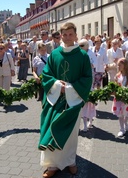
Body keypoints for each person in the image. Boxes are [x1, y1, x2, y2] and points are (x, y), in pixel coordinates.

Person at [38, 22, 92, 178]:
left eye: (71, 34)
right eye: (65, 34)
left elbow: (87, 78)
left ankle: (70, 162)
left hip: (72, 102)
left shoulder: (82, 55)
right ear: (60, 36)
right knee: (52, 130)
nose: (68, 37)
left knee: (71, 134)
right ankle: (52, 165)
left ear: (76, 35)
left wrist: (68, 89)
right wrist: (56, 85)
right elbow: (46, 75)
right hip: (55, 100)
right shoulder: (54, 54)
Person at [112, 58, 128, 137]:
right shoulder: (117, 76)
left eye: (120, 65)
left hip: (127, 98)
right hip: (119, 98)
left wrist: (127, 93)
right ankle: (122, 129)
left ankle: (125, 122)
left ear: (124, 66)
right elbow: (115, 86)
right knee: (120, 114)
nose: (118, 67)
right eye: (118, 65)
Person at [79, 39, 97, 131]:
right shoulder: (78, 54)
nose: (80, 47)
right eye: (79, 45)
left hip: (90, 78)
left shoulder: (91, 53)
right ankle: (84, 124)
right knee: (83, 103)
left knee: (90, 102)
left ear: (87, 45)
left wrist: (88, 64)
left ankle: (90, 120)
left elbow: (95, 63)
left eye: (82, 45)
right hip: (81, 79)